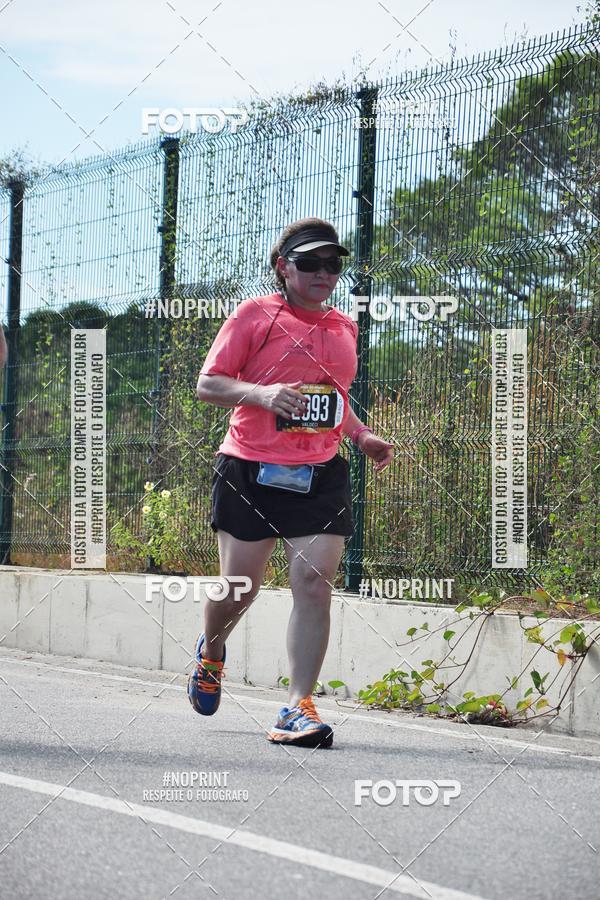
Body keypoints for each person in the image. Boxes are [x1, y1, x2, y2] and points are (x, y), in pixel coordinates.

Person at [189, 217, 394, 748]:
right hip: (250, 469)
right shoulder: (254, 315)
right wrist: (261, 394)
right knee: (241, 589)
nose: (325, 272)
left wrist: (362, 435)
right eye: (311, 262)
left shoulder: (344, 327)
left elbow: (333, 400)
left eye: (334, 264)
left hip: (320, 473)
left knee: (312, 584)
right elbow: (208, 384)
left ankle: (298, 706)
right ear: (284, 267)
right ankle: (212, 652)